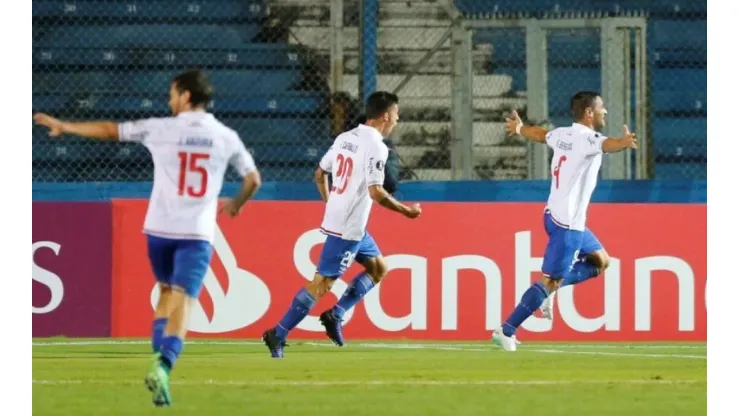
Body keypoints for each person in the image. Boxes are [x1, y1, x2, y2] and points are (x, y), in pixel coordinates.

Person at [33, 69, 262, 405]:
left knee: (167, 291)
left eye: (172, 94)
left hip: (157, 230)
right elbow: (253, 179)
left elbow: (112, 131)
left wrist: (65, 126)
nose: (169, 100)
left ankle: (158, 353)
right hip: (195, 232)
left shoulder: (162, 129)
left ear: (185, 96)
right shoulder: (225, 136)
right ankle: (164, 364)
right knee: (185, 298)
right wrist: (236, 205)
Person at [262, 91, 422, 358]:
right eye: (396, 113)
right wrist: (407, 211)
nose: (397, 118)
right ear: (385, 115)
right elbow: (376, 193)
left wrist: (332, 202)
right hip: (348, 227)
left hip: (350, 223)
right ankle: (277, 333)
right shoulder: (377, 146)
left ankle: (336, 314)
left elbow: (319, 173)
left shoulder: (345, 138)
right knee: (321, 284)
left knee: (379, 268)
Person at [493, 91, 637, 351]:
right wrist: (624, 142)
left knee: (601, 261)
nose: (605, 112)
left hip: (554, 215)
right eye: (601, 107)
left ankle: (551, 290)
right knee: (548, 281)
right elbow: (608, 145)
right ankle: (507, 330)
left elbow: (540, 135)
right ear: (589, 112)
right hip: (568, 224)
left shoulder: (562, 134)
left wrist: (520, 127)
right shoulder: (588, 139)